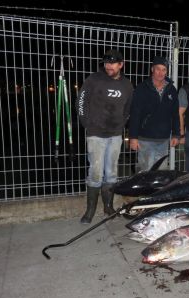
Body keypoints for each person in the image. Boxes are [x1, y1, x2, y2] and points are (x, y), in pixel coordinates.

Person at [75, 49, 133, 224]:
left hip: (115, 135)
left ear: (121, 65)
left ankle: (108, 207)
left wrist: (121, 125)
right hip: (96, 135)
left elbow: (129, 109)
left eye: (113, 62)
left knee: (112, 173)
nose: (108, 65)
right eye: (106, 62)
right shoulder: (94, 80)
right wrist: (87, 123)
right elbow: (81, 101)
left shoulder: (127, 85)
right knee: (95, 172)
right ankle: (90, 211)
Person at [129, 56, 180, 171]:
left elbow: (175, 114)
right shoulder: (142, 88)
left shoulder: (171, 89)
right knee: (145, 172)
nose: (160, 73)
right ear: (152, 69)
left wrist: (176, 134)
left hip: (164, 139)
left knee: (160, 173)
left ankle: (158, 190)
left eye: (164, 70)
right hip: (145, 139)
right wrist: (133, 137)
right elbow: (135, 113)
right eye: (158, 69)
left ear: (167, 71)